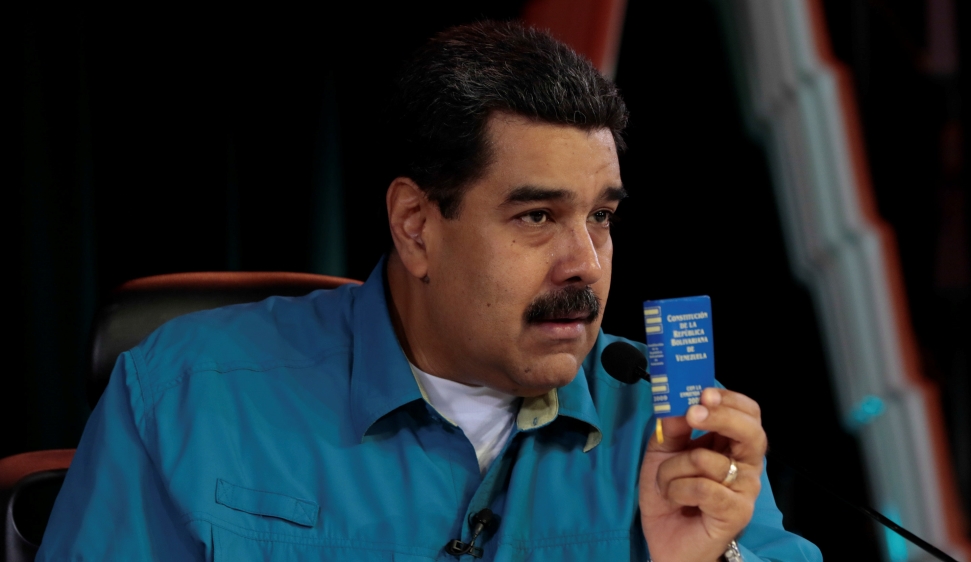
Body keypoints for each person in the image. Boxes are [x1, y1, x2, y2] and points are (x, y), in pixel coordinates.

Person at [38, 21, 821, 561]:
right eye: (537, 215)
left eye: (602, 218)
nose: (585, 262)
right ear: (417, 224)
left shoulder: (670, 423)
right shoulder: (184, 396)